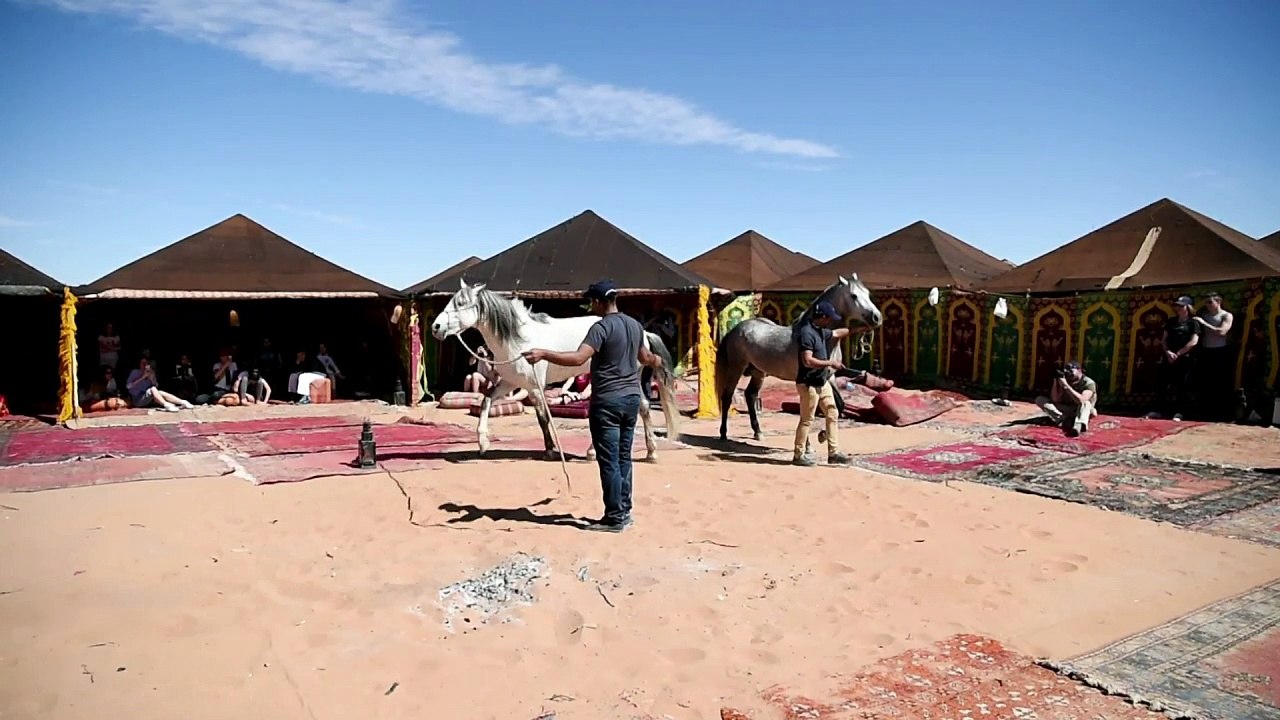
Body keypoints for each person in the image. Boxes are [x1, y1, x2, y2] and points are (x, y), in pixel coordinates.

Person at [522, 280, 663, 533]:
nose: (590, 306)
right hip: (631, 399)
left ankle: (614, 517)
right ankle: (625, 509)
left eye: (591, 302)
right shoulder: (633, 325)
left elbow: (578, 358)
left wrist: (544, 354)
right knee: (623, 457)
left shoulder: (600, 328)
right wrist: (658, 360)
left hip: (608, 402)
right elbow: (645, 357)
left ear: (599, 302)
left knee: (609, 460)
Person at [793, 301, 853, 466]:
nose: (831, 321)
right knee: (807, 419)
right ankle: (798, 455)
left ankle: (833, 453)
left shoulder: (820, 331)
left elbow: (835, 333)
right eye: (829, 318)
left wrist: (857, 330)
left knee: (832, 412)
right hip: (809, 384)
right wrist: (830, 363)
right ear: (823, 317)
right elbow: (807, 361)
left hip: (822, 381)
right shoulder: (807, 333)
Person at [1147, 296, 1200, 421]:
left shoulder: (1193, 323)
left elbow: (1194, 341)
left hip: (1184, 358)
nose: (1178, 308)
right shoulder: (1172, 321)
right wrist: (1168, 352)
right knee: (1162, 383)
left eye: (1181, 306)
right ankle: (1158, 410)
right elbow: (1164, 339)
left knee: (1182, 385)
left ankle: (1179, 412)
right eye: (1177, 306)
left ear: (1188, 307)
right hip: (1168, 357)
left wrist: (1179, 353)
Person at [1194, 294, 1235, 421]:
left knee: (1220, 382)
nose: (1207, 305)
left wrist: (1204, 323)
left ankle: (1222, 413)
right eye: (1206, 302)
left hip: (1220, 352)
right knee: (1206, 382)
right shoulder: (1204, 315)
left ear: (1218, 302)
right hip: (1206, 352)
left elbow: (1222, 332)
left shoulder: (1226, 315)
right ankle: (1206, 411)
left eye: (1210, 302)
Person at [1035, 361, 1097, 436]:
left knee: (1086, 404)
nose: (1069, 373)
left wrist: (1066, 386)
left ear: (1079, 370)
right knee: (1040, 400)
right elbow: (1055, 400)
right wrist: (1056, 381)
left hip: (1082, 410)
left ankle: (1079, 425)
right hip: (1067, 409)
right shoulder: (1065, 380)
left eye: (1071, 370)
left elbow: (1081, 401)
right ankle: (1063, 420)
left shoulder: (1088, 383)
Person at [125, 358, 192, 412]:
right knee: (152, 389)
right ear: (139, 364)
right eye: (143, 363)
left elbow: (156, 386)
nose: (144, 365)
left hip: (148, 397)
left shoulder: (150, 372)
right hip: (137, 399)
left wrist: (152, 378)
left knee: (159, 392)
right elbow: (128, 386)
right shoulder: (135, 372)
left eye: (146, 363)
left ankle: (182, 402)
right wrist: (142, 377)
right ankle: (166, 405)